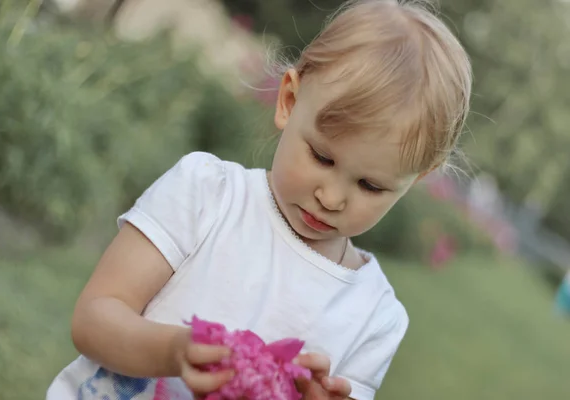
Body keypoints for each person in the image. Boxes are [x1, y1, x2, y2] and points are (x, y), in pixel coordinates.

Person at [47, 1, 472, 399]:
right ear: (289, 100)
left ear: (416, 180)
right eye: (322, 157)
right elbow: (95, 318)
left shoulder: (374, 318)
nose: (331, 197)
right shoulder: (207, 195)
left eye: (371, 186)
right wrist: (174, 350)